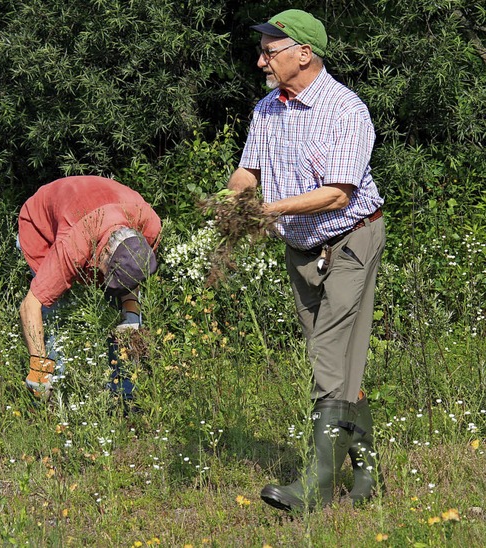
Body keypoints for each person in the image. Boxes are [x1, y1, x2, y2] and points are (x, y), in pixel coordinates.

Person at [228, 9, 386, 511]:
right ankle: (365, 475)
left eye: (269, 53)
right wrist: (232, 200)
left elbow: (338, 194)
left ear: (304, 53)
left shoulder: (345, 110)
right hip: (300, 249)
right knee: (336, 357)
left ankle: (317, 484)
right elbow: (247, 172)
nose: (261, 62)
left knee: (328, 356)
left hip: (350, 240)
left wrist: (268, 209)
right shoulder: (267, 110)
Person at [17, 175, 161, 398]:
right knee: (55, 316)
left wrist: (131, 318)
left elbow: (133, 271)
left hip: (100, 210)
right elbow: (31, 305)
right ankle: (57, 397)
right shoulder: (73, 246)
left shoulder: (149, 224)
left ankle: (123, 395)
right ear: (102, 254)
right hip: (43, 228)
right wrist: (38, 369)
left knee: (128, 324)